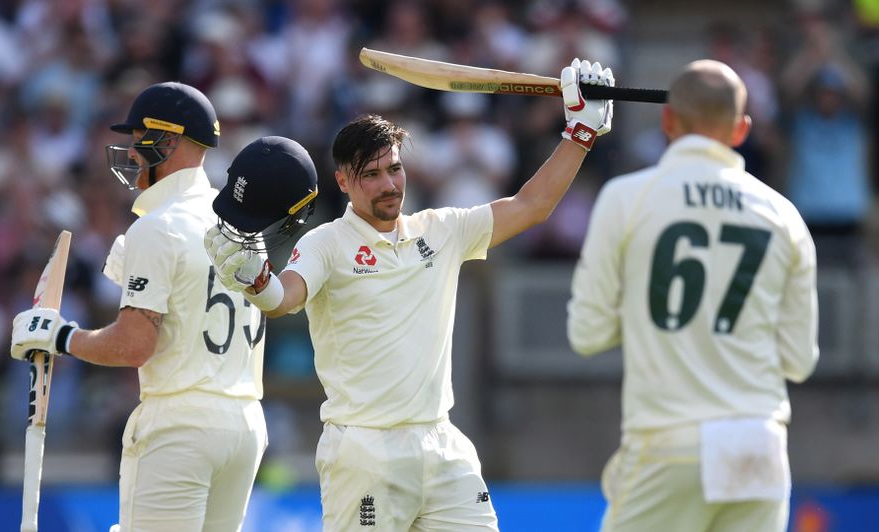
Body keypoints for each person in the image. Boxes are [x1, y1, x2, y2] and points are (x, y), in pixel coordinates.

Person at [204, 59, 614, 531]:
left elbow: (531, 206)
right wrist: (256, 281)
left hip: (442, 444)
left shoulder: (442, 230)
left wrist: (580, 133)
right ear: (342, 181)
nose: (388, 185)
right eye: (371, 175)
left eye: (394, 169)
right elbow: (285, 298)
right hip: (364, 452)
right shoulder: (326, 244)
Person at [9, 82, 318, 531]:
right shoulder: (237, 223)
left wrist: (60, 336)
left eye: (138, 141)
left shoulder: (157, 227)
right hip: (245, 424)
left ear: (167, 139)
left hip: (180, 426)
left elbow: (134, 346)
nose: (131, 153)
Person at [567, 60, 819, 532]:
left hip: (668, 441)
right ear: (741, 129)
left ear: (667, 121)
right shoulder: (784, 216)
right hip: (757, 444)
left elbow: (587, 333)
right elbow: (799, 362)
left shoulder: (626, 197)